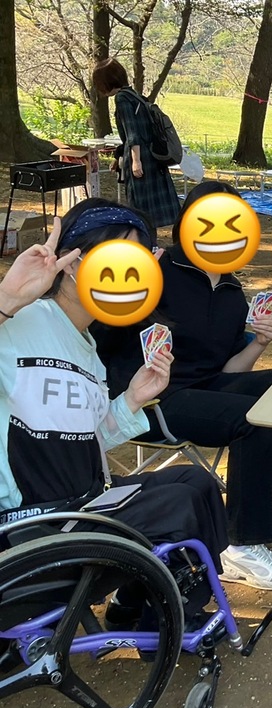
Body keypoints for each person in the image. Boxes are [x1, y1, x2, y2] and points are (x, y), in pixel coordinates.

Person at [0, 200, 229, 623]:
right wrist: (7, 299)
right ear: (72, 263)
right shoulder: (19, 323)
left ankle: (136, 606)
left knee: (195, 481)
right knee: (178, 503)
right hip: (32, 525)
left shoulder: (88, 350)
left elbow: (88, 441)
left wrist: (133, 399)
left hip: (82, 506)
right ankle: (166, 616)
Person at [94, 181, 272, 592]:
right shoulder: (156, 271)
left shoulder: (232, 290)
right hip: (153, 399)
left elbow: (229, 369)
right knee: (252, 418)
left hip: (206, 389)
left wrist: (260, 342)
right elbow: (106, 326)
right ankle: (239, 546)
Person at [92, 57, 180, 229]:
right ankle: (149, 238)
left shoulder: (122, 99)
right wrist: (119, 156)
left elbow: (133, 133)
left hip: (141, 159)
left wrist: (136, 161)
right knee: (151, 212)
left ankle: (144, 239)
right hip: (153, 156)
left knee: (140, 209)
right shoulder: (134, 95)